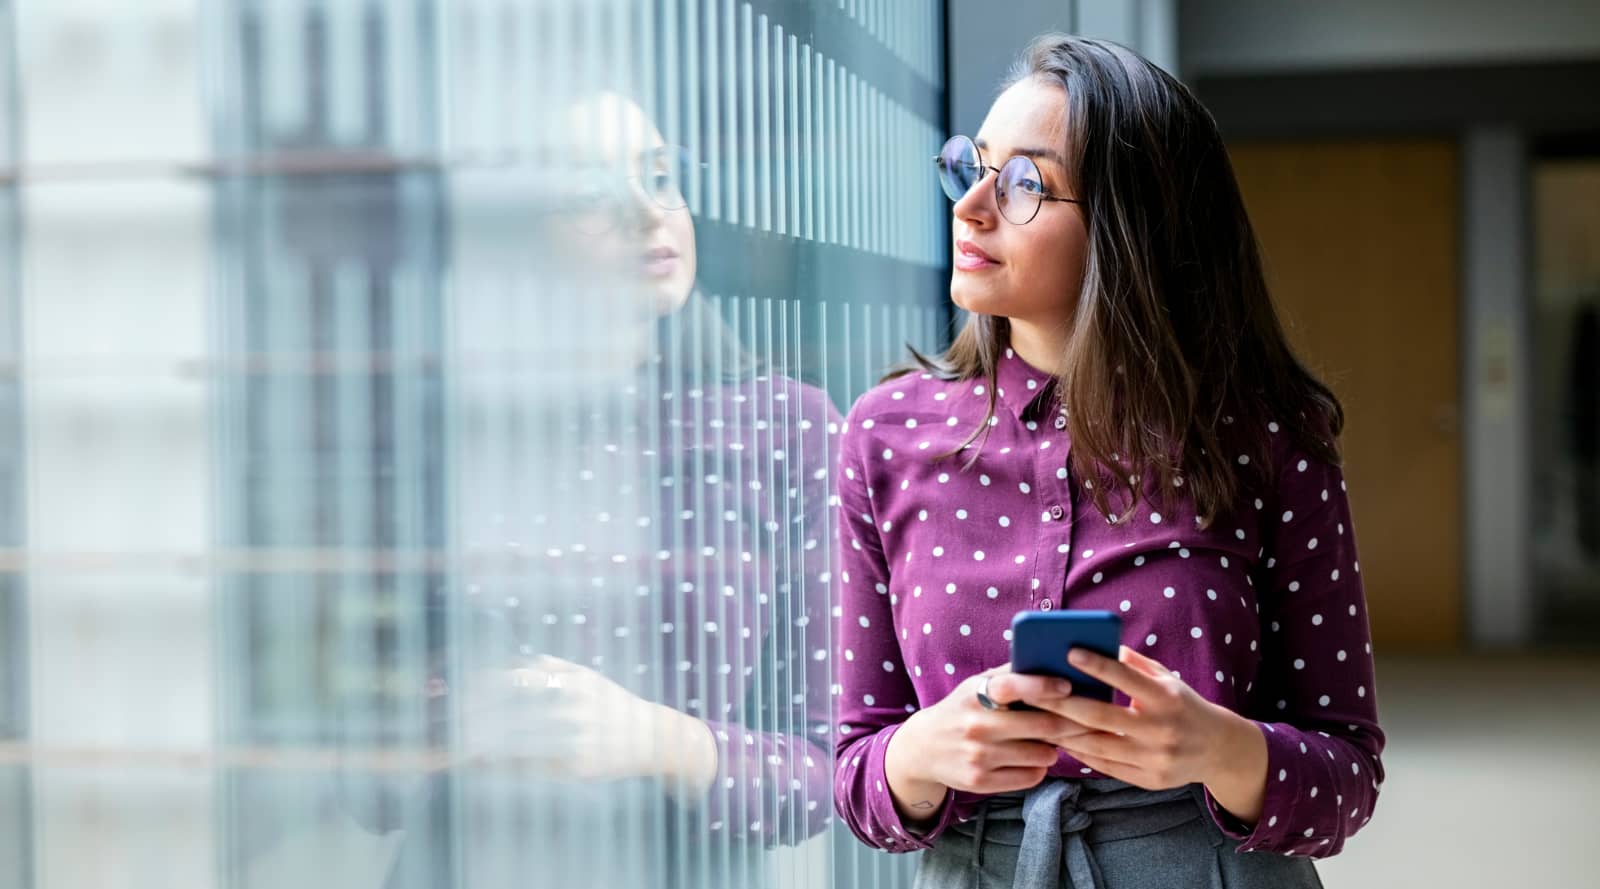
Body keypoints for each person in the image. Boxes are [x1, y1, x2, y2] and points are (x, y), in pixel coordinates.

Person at [832, 35, 1385, 888]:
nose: (971, 206)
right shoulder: (885, 434)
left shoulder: (1270, 437)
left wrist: (1217, 747)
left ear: (1135, 226)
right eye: (972, 167)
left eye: (1024, 185)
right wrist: (921, 751)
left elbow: (1346, 778)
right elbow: (856, 773)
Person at [338, 92, 841, 889]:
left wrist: (647, 739)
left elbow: (831, 775)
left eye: (661, 177)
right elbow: (359, 777)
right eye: (591, 196)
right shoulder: (445, 434)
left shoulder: (789, 430)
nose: (649, 214)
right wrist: (453, 730)